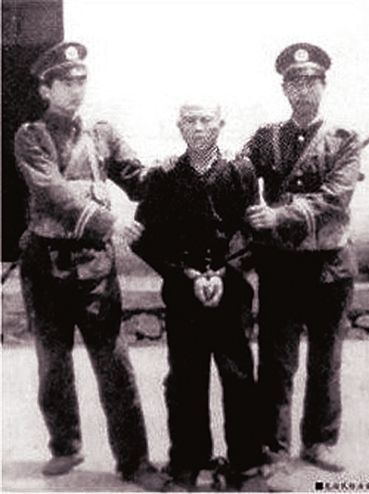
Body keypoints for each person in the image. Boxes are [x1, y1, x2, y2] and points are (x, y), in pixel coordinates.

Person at [14, 41, 165, 489]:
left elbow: (138, 178)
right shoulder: (30, 136)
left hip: (94, 266)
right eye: (65, 83)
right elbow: (53, 194)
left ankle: (134, 461)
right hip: (46, 266)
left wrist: (175, 175)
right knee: (53, 363)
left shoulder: (102, 134)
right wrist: (108, 222)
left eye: (81, 81)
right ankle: (66, 446)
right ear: (46, 89)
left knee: (114, 364)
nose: (76, 89)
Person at [134, 101, 264, 491]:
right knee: (185, 379)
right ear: (179, 127)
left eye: (206, 120)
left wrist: (227, 271)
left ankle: (245, 465)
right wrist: (184, 273)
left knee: (238, 376)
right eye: (190, 120)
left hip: (231, 293)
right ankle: (187, 462)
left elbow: (255, 231)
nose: (198, 127)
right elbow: (144, 238)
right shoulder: (164, 176)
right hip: (183, 295)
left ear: (220, 124)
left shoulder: (241, 171)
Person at [244, 43, 361, 475]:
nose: (303, 89)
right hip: (282, 265)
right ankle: (273, 447)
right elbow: (238, 174)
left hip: (330, 265)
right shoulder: (266, 137)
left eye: (311, 81)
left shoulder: (343, 139)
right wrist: (251, 209)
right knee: (277, 360)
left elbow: (334, 199)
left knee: (326, 360)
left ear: (323, 85)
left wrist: (279, 213)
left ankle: (320, 441)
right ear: (284, 89)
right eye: (295, 82)